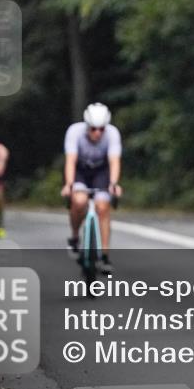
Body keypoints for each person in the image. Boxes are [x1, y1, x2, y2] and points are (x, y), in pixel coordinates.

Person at [61, 102, 123, 273]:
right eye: (93, 129)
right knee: (79, 201)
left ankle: (104, 256)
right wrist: (69, 184)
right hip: (80, 171)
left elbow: (114, 161)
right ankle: (75, 237)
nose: (97, 133)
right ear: (87, 126)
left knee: (102, 207)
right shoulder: (74, 132)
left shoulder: (112, 133)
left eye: (101, 129)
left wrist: (114, 184)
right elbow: (70, 161)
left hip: (101, 172)